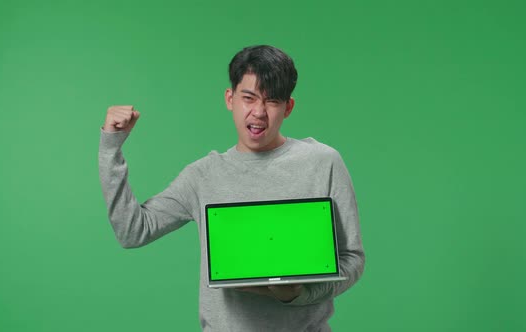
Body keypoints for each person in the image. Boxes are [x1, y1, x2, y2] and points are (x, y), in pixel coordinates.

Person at [98, 45, 365, 331]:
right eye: (249, 98)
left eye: (272, 101)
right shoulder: (203, 175)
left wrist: (299, 294)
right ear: (230, 98)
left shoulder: (323, 162)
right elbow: (132, 231)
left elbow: (352, 259)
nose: (259, 112)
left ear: (288, 107)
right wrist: (111, 146)